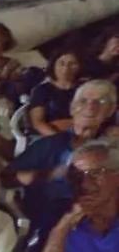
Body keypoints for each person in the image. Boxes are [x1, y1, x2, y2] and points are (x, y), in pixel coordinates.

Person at [8, 80, 116, 242]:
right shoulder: (50, 144)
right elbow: (6, 178)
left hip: (105, 220)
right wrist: (43, 175)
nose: (91, 106)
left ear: (111, 110)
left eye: (101, 101)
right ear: (72, 108)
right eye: (84, 100)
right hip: (54, 220)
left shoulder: (112, 148)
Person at [28, 48, 82, 138]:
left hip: (81, 134)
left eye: (72, 64)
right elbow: (38, 123)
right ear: (53, 65)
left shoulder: (85, 88)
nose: (66, 68)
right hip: (50, 135)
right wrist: (59, 138)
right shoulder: (42, 90)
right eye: (61, 63)